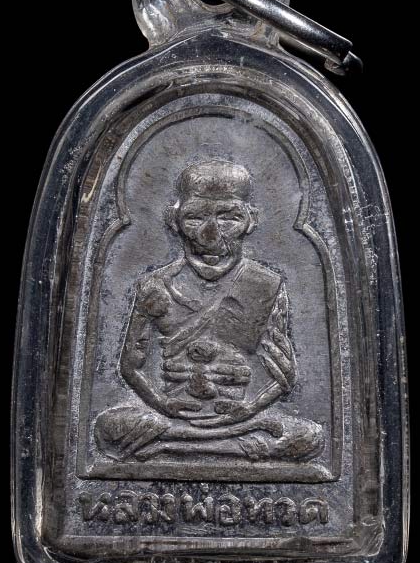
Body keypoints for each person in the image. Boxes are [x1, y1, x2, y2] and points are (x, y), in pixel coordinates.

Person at [95, 160, 324, 462]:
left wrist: (248, 409)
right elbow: (130, 367)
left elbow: (284, 376)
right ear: (173, 220)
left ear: (251, 220)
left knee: (310, 436)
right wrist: (162, 404)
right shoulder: (155, 286)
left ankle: (172, 447)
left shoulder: (265, 285)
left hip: (239, 417)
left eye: (228, 217)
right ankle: (213, 445)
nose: (210, 234)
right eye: (195, 217)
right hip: (174, 416)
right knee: (109, 427)